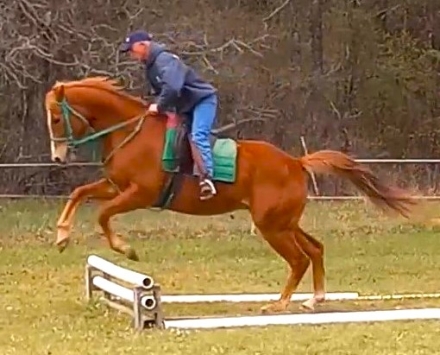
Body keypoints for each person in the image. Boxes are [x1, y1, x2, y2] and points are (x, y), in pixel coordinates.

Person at [119, 30, 218, 201]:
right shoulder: (152, 65)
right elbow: (160, 91)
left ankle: (207, 179)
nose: (131, 55)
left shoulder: (163, 60)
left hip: (202, 101)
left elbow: (173, 87)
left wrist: (159, 105)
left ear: (143, 45)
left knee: (198, 135)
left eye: (131, 50)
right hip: (185, 108)